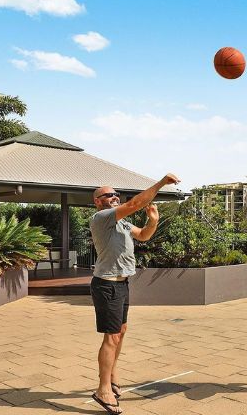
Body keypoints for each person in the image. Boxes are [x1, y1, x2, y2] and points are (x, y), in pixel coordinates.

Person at [89, 173, 180, 414]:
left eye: (116, 194)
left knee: (121, 332)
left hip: (122, 284)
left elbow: (143, 236)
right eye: (109, 195)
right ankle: (102, 389)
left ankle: (112, 376)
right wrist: (160, 183)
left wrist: (153, 222)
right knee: (112, 337)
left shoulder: (123, 224)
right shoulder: (101, 218)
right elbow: (134, 204)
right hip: (106, 284)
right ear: (98, 201)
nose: (115, 197)